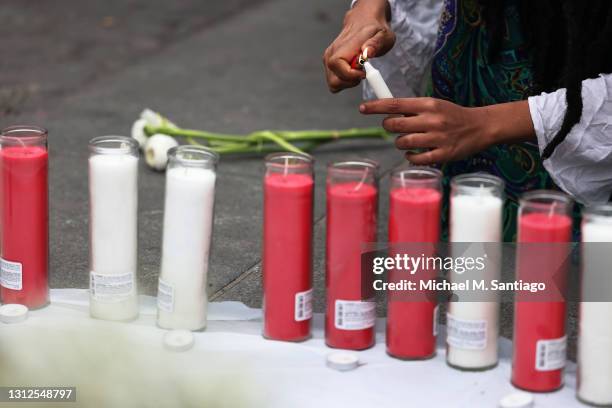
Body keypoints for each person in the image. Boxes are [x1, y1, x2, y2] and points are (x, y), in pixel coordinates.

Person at [323, 0, 612, 240]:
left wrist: (486, 124)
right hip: (466, 97)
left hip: (574, 162)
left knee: (551, 285)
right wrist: (371, 9)